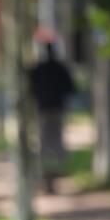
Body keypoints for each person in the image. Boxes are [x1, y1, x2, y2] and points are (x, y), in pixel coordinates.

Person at [28, 42, 76, 194]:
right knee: (55, 142)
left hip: (43, 109)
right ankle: (52, 174)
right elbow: (70, 89)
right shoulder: (59, 68)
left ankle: (48, 175)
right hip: (56, 109)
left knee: (45, 142)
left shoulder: (38, 70)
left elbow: (31, 89)